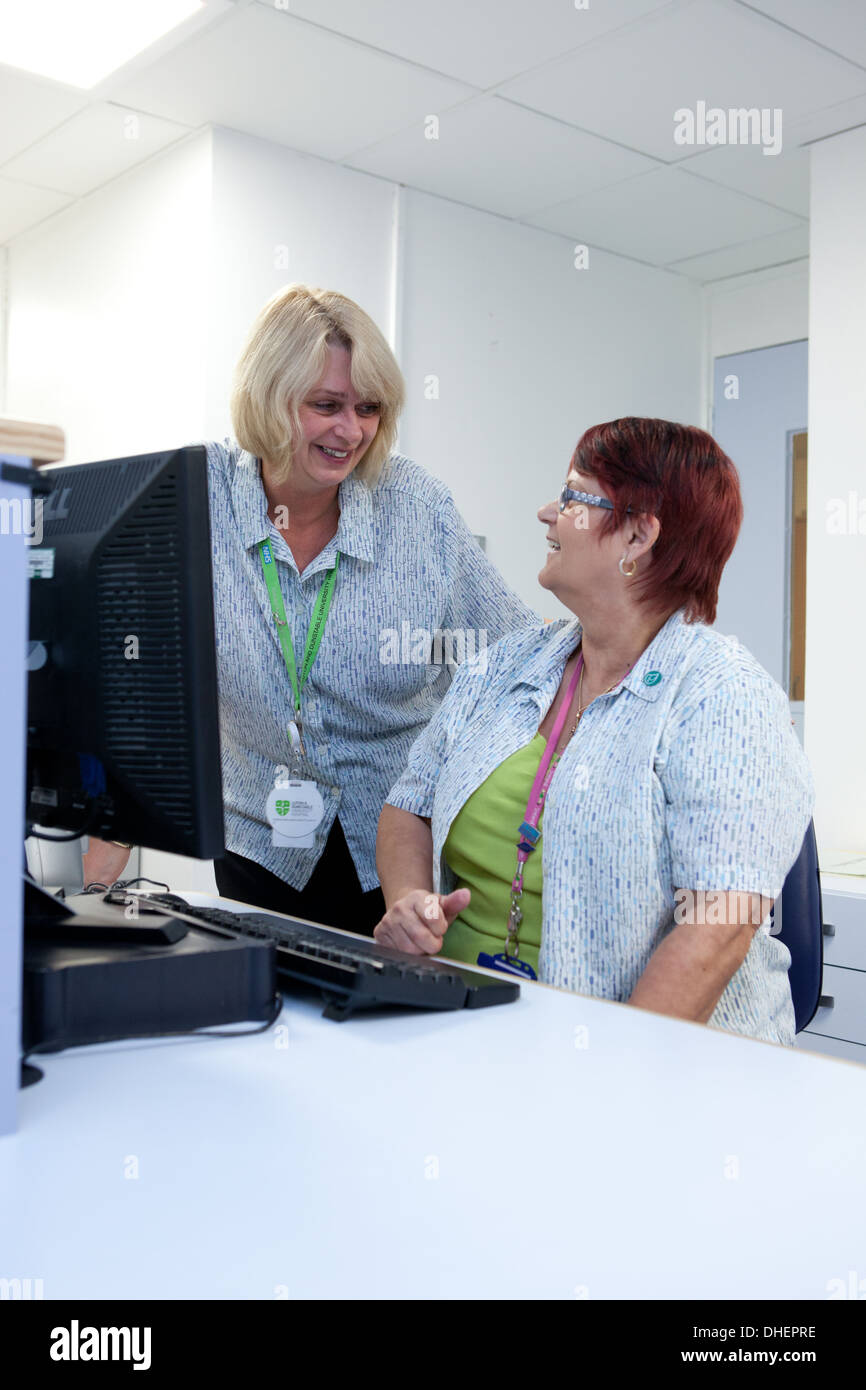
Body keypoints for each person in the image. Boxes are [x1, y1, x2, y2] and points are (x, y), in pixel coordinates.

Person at [84, 285, 536, 929]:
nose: (350, 431)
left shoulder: (418, 510)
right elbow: (135, 684)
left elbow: (515, 661)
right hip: (258, 846)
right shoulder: (193, 501)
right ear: (269, 398)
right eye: (326, 405)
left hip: (398, 856)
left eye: (369, 407)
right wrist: (97, 870)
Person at [375, 417, 814, 1044]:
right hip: (463, 1031)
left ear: (637, 535)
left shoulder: (723, 694)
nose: (548, 513)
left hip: (652, 1074)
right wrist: (409, 902)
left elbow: (719, 925)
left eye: (574, 497)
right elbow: (407, 805)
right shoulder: (503, 665)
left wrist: (608, 1081)